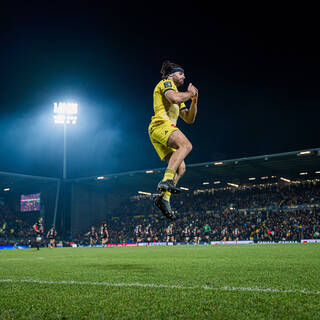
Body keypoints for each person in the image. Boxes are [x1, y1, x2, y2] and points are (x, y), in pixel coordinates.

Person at [148, 60, 198, 220]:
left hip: (162, 130)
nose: (184, 76)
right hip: (160, 125)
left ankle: (164, 199)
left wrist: (194, 100)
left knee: (181, 168)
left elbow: (189, 118)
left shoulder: (178, 93)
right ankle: (166, 181)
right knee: (186, 145)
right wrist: (189, 94)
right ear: (171, 74)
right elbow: (174, 98)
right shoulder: (166, 84)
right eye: (180, 73)